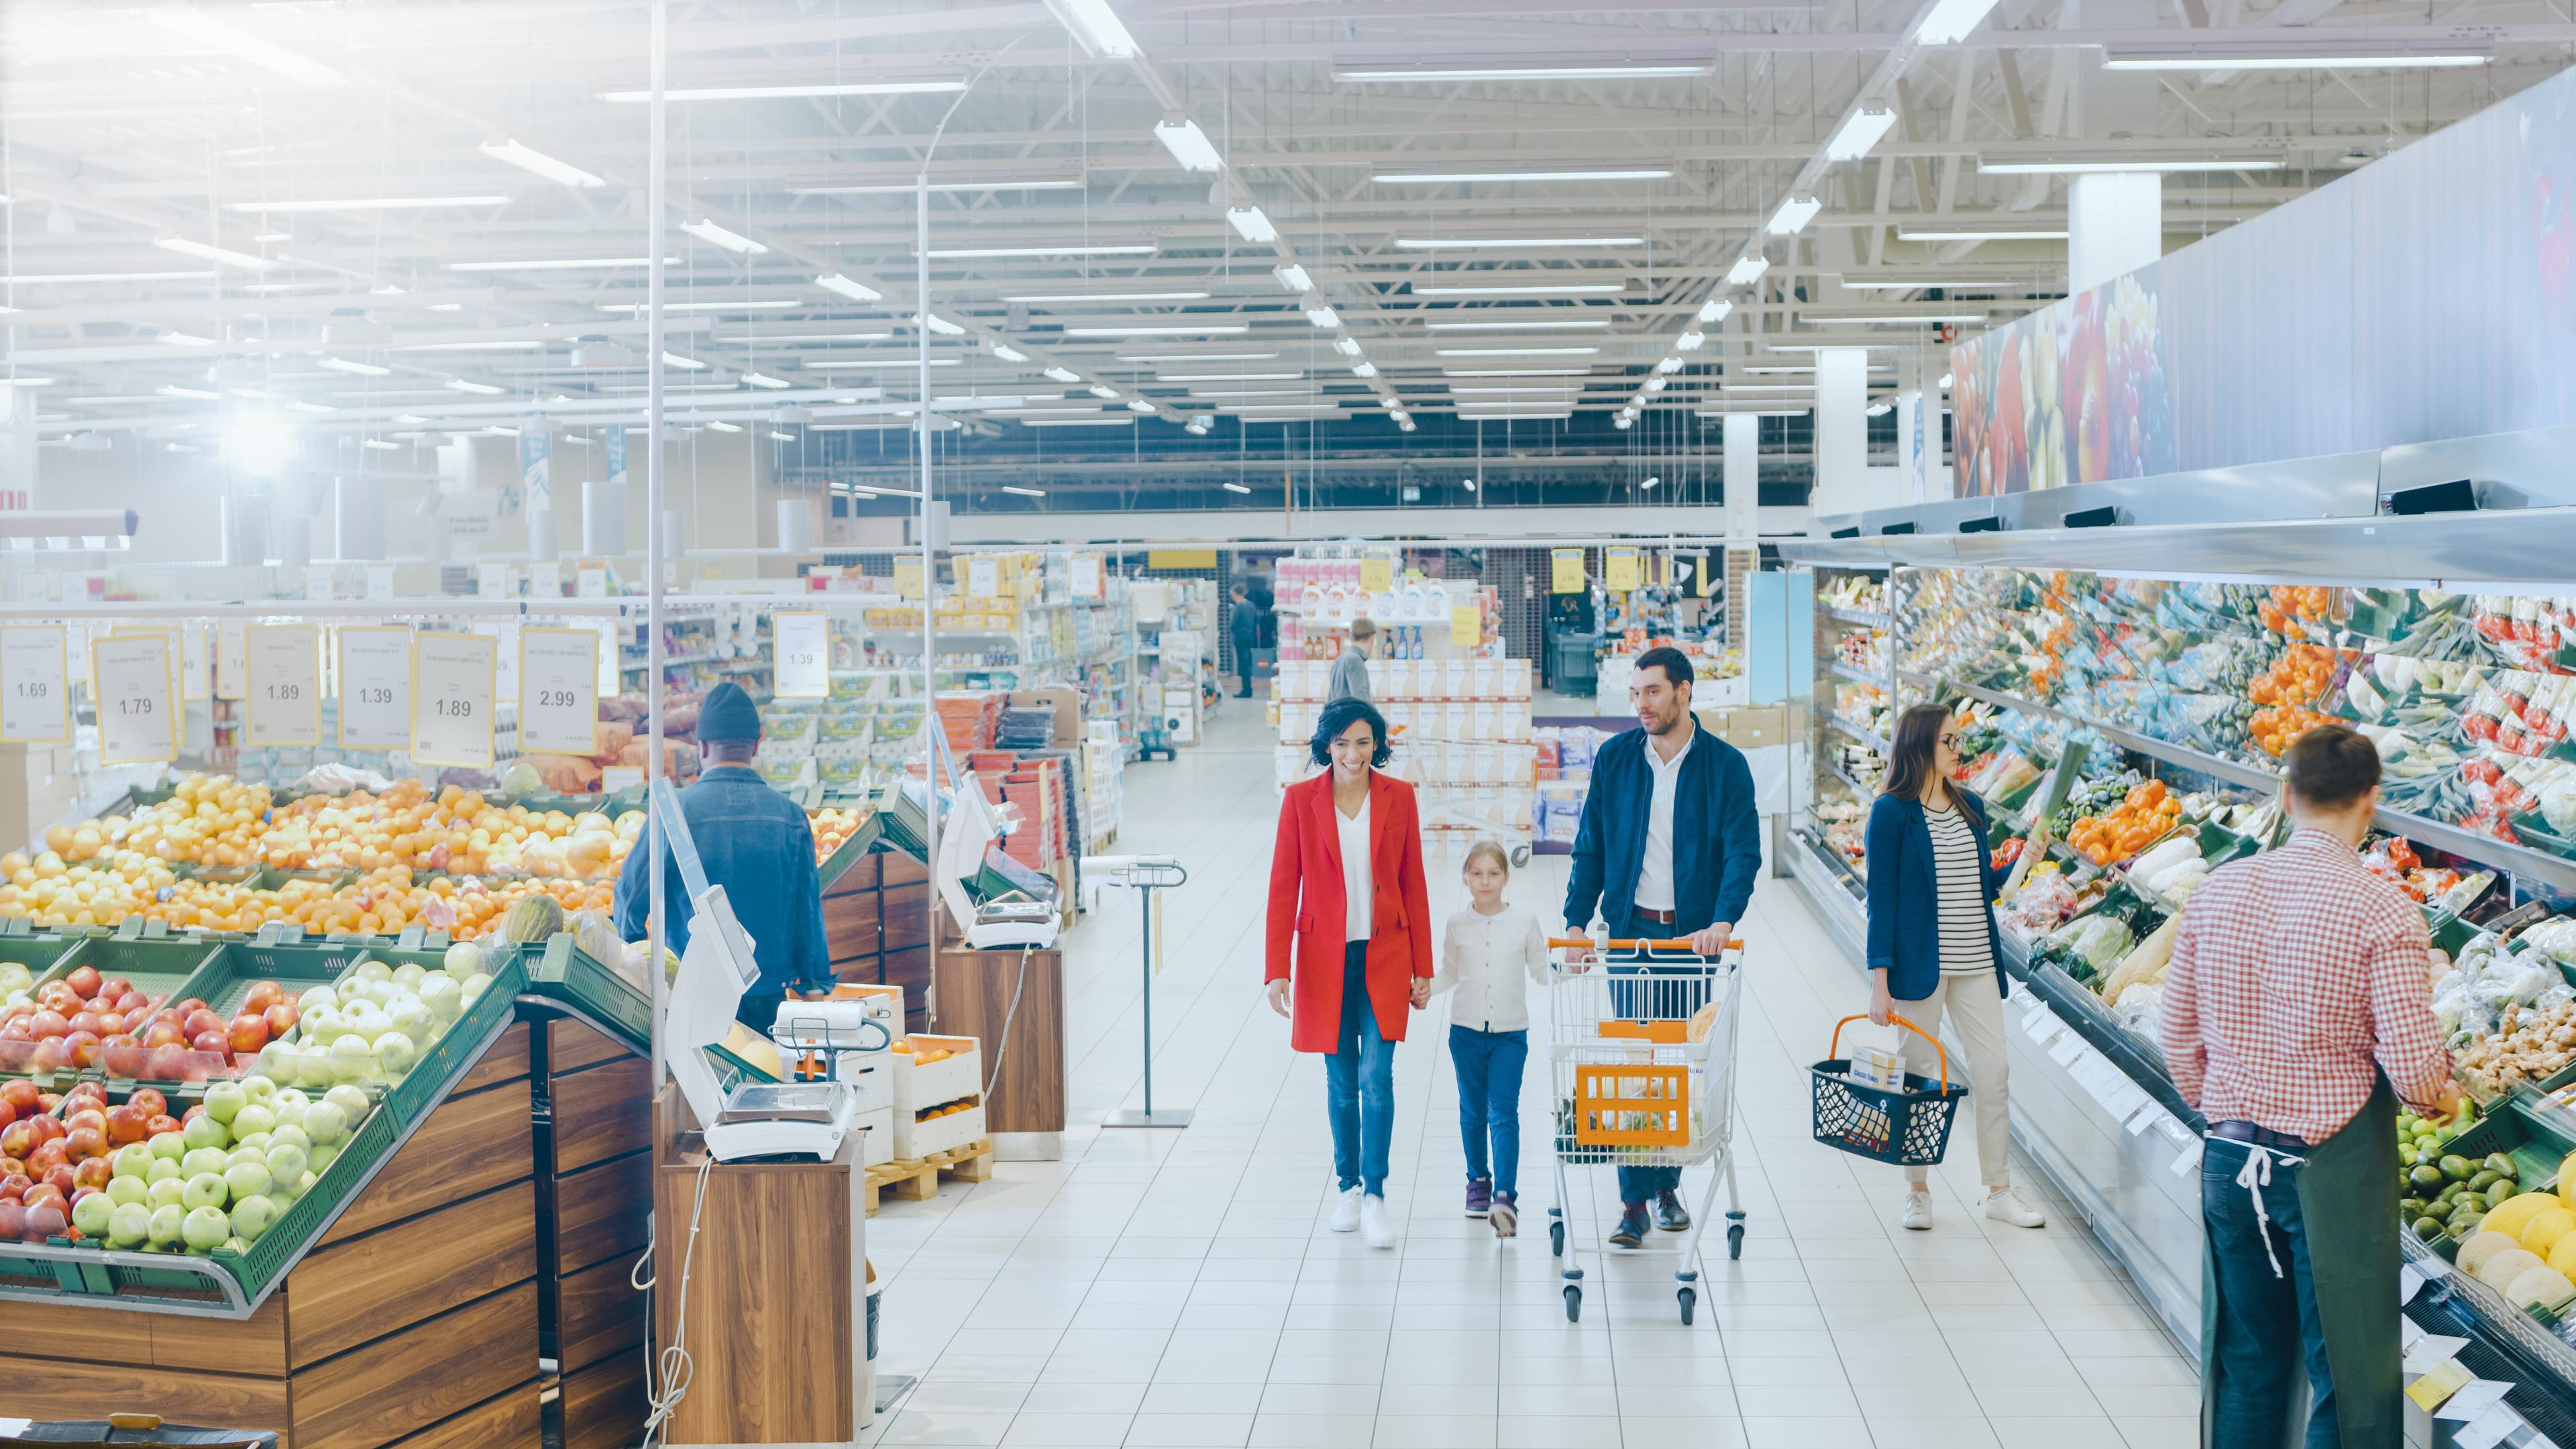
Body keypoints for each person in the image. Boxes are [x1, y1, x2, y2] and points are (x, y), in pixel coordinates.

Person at [2161, 723, 2463, 1449]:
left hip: (2231, 1163)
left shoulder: (2219, 888)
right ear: (2372, 802)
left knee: (2246, 1364)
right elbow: (2415, 1067)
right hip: (2330, 1173)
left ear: (2286, 793)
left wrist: (2228, 1107)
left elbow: (2177, 1037)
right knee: (2348, 1377)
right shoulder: (2385, 910)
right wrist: (2442, 1099)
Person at [1564, 645, 1761, 1248]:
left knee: (1678, 1064)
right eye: (1636, 693)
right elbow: (1590, 846)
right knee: (1630, 1063)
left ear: (1684, 692)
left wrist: (1723, 921)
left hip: (1691, 940)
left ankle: (1667, 1184)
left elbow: (1742, 853)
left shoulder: (1725, 767)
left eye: (1653, 691)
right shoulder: (1617, 760)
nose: (1642, 704)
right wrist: (1576, 921)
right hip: (1629, 933)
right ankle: (1632, 1202)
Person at [1862, 703, 2047, 1231]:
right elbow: (1883, 902)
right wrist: (1880, 982)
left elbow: (1982, 886)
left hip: (1976, 963)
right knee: (1919, 1077)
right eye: (1950, 740)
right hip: (1919, 966)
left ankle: (1999, 1190)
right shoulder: (1891, 813)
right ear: (1921, 744)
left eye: (1958, 740)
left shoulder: (1970, 807)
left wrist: (2025, 862)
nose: (1958, 750)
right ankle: (1917, 1190)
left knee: (1994, 1074)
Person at [1265, 695, 1433, 1249]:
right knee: (1341, 1082)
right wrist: (1276, 969)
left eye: (1364, 742)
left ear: (1377, 745)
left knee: (1375, 1078)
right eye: (1342, 743)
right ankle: (1349, 1187)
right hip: (1324, 960)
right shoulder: (1300, 802)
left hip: (1385, 957)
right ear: (1326, 746)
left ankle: (1378, 1195)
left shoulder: (1400, 798)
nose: (1354, 754)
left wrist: (1424, 967)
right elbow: (1284, 888)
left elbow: (1414, 885)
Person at [613, 682, 833, 1036]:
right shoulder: (791, 816)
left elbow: (629, 898)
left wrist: (638, 964)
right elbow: (807, 912)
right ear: (757, 743)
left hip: (694, 994)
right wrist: (814, 983)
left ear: (701, 747)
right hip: (769, 998)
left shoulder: (673, 814)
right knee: (767, 1081)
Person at [1430, 840, 1549, 1238]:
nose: (1485, 881)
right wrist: (1425, 988)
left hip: (1510, 1035)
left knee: (1503, 1112)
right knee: (1472, 1111)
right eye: (1477, 873)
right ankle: (1477, 1182)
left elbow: (1541, 970)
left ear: (1507, 878)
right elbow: (1449, 971)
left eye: (1493, 873)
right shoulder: (1456, 924)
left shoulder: (1525, 921)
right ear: (1466, 878)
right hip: (1464, 1032)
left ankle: (1505, 1196)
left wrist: (1573, 968)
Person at [1326, 618, 1375, 703]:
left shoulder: (1339, 660)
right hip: (1350, 716)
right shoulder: (1355, 660)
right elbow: (1361, 701)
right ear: (1372, 638)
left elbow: (1330, 699)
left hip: (1337, 716)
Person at [1229, 581, 1264, 698]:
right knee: (1247, 663)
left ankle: (1246, 690)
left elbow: (1232, 624)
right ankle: (1248, 688)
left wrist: (1237, 632)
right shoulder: (1251, 605)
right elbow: (1257, 620)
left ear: (1235, 593)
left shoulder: (1239, 607)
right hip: (1249, 638)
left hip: (1240, 638)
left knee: (1243, 665)